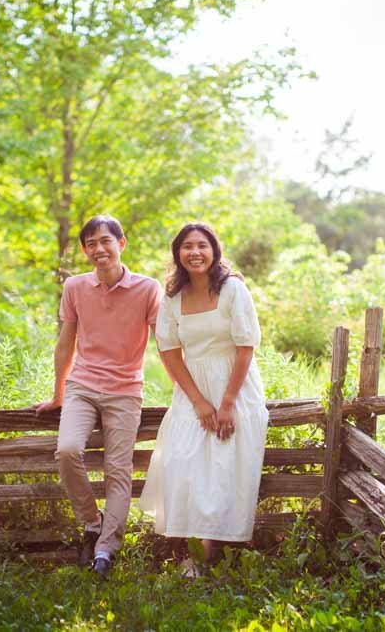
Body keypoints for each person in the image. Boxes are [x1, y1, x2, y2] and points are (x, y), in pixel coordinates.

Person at [31, 215, 161, 579]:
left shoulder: (148, 289)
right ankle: (92, 523)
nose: (98, 249)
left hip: (125, 392)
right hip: (82, 387)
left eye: (105, 241)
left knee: (117, 471)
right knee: (68, 450)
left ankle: (106, 548)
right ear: (85, 250)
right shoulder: (75, 287)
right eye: (90, 243)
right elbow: (65, 343)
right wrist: (58, 393)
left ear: (122, 244)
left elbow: (167, 343)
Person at [138, 222, 268, 575]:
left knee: (221, 467)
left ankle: (202, 558)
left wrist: (226, 404)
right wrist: (198, 401)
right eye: (187, 246)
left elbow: (245, 347)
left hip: (235, 388)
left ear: (214, 251)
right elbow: (168, 351)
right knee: (184, 462)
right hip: (192, 389)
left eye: (202, 245)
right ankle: (191, 549)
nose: (194, 252)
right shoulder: (173, 297)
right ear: (177, 254)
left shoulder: (233, 291)